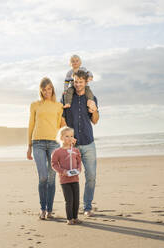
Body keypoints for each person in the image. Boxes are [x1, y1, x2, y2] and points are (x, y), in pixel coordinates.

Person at [62, 70, 99, 217]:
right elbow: (62, 120)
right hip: (72, 146)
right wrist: (69, 138)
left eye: (80, 82)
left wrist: (94, 109)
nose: (78, 85)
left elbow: (95, 120)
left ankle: (87, 206)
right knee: (72, 177)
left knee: (91, 176)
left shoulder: (91, 98)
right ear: (73, 81)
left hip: (88, 143)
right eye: (76, 82)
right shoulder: (66, 98)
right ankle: (74, 207)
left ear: (86, 82)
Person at [27, 77, 64, 220]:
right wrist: (29, 146)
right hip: (38, 143)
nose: (47, 91)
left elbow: (60, 126)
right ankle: (43, 208)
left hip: (54, 143)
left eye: (49, 88)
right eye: (44, 89)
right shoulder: (35, 105)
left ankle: (49, 210)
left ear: (52, 89)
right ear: (41, 90)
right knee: (43, 177)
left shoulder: (58, 106)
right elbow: (31, 125)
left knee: (51, 178)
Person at [51, 127, 82, 225]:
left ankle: (75, 217)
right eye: (67, 136)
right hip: (65, 180)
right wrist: (63, 171)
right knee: (69, 200)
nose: (69, 138)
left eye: (71, 136)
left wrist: (78, 170)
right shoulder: (57, 152)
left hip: (75, 178)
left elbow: (79, 162)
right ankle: (69, 219)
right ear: (61, 137)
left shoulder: (75, 150)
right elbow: (54, 164)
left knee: (76, 200)